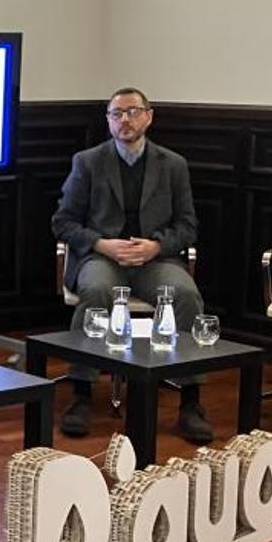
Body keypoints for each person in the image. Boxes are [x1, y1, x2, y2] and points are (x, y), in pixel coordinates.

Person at [51, 86, 210, 443]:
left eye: (133, 112)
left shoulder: (173, 165)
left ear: (149, 116)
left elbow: (188, 226)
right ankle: (81, 393)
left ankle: (191, 401)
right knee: (96, 291)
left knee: (185, 294)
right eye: (117, 114)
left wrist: (155, 247)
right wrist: (102, 243)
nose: (125, 120)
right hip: (103, 257)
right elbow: (63, 222)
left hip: (154, 259)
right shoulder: (88, 162)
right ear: (108, 121)